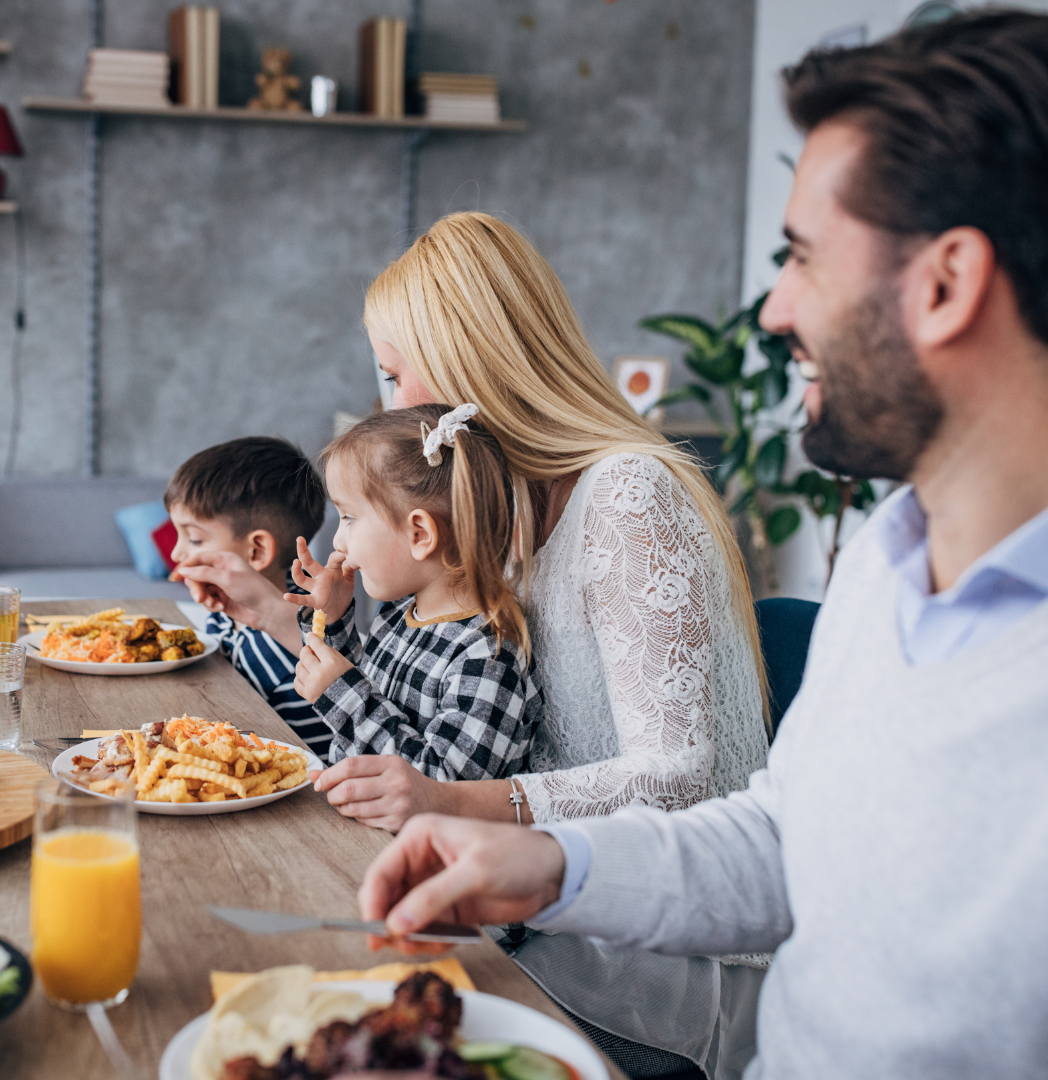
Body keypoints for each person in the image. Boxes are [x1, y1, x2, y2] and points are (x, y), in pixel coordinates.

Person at [356, 11, 1048, 1078]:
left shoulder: (631, 496)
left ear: (946, 284)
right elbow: (782, 836)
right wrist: (546, 864)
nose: (772, 310)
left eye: (804, 259)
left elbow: (687, 780)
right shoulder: (891, 553)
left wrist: (476, 810)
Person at [178, 212, 771, 1075]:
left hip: (652, 945)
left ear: (469, 360)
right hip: (542, 901)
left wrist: (453, 803)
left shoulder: (631, 497)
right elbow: (421, 683)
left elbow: (675, 775)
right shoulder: (512, 505)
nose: (386, 405)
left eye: (391, 374)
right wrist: (285, 615)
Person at [289, 403, 542, 787]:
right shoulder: (399, 612)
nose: (339, 542)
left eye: (349, 518)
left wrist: (342, 694)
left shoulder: (487, 655)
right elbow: (373, 695)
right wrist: (336, 617)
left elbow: (444, 786)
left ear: (420, 534)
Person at [166, 437, 332, 750]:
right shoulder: (225, 610)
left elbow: (228, 718)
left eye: (194, 540)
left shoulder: (303, 633)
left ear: (256, 550)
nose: (176, 553)